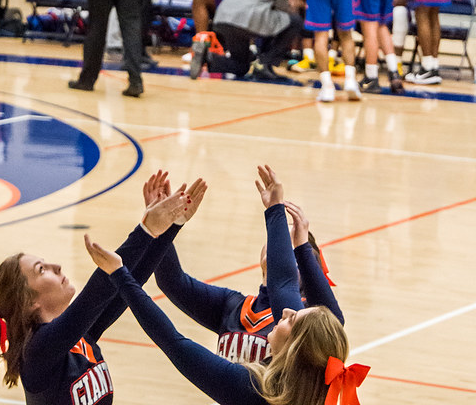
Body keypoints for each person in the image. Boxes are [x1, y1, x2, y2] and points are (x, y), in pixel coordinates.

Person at [84, 165, 369, 405]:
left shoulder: (258, 388)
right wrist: (164, 226)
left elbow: (175, 343)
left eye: (292, 317)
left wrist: (122, 273)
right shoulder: (243, 311)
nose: (287, 312)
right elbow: (173, 283)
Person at [0, 172, 206, 402]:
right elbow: (97, 291)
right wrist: (146, 230)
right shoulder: (38, 351)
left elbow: (128, 279)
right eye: (42, 269)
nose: (57, 266)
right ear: (30, 301)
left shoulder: (81, 335)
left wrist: (172, 224)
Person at [153, 194, 343, 364]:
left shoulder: (307, 319)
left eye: (286, 243)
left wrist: (303, 249)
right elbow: (171, 281)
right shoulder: (232, 305)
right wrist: (161, 227)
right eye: (276, 238)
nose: (278, 245)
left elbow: (333, 318)